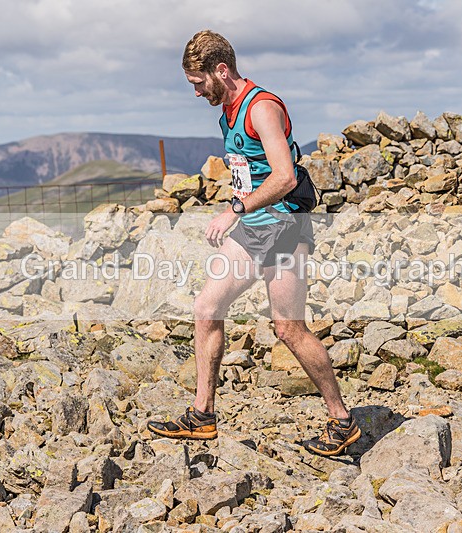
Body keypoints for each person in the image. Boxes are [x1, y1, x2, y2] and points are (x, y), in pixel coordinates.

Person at [147, 30, 360, 456]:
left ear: (220, 70)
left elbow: (284, 176)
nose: (195, 92)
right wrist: (239, 209)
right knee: (206, 309)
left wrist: (234, 210)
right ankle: (202, 416)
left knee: (288, 329)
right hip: (253, 228)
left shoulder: (261, 108)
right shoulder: (227, 110)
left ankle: (342, 420)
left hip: (284, 227)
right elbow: (252, 171)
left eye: (197, 82)